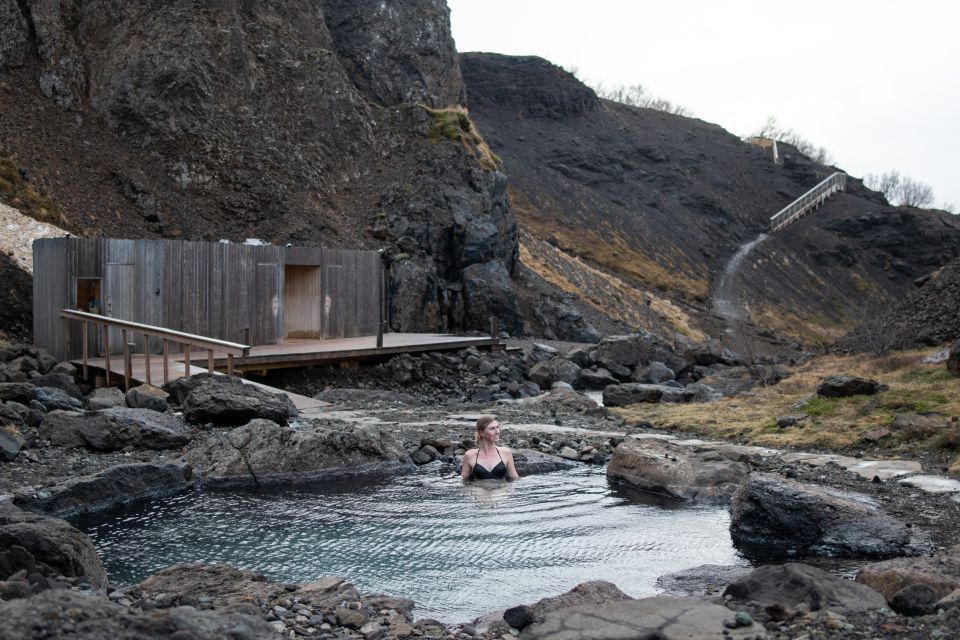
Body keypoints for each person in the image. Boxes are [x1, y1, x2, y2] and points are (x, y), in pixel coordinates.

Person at [461, 415, 519, 481]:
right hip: (478, 489)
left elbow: (514, 479)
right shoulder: (469, 455)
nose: (497, 432)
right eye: (492, 428)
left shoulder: (506, 452)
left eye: (497, 427)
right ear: (481, 433)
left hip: (501, 490)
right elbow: (464, 482)